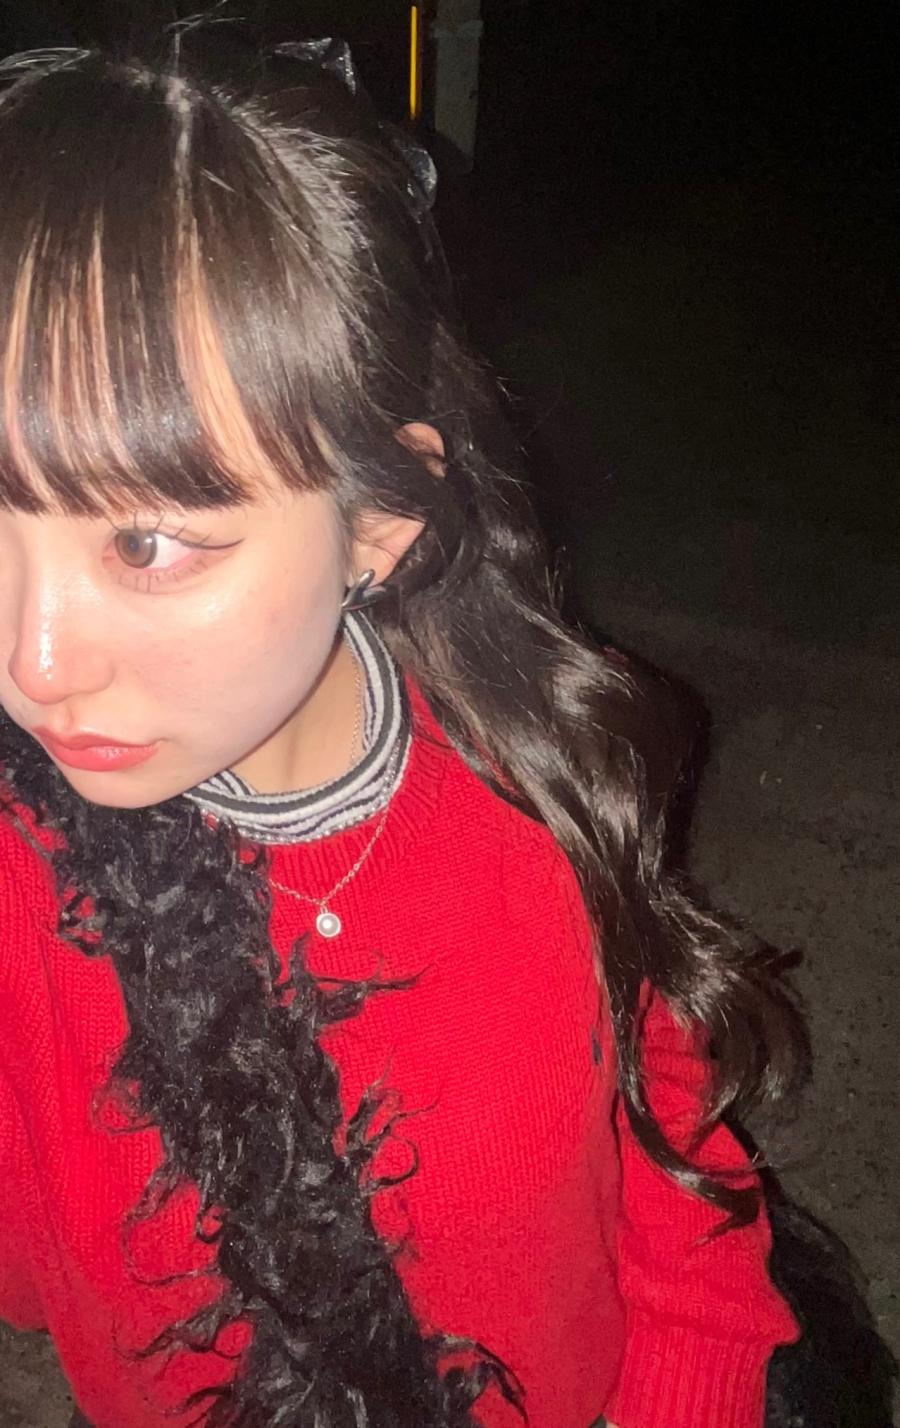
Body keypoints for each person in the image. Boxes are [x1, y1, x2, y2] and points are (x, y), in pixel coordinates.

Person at [0, 31, 802, 1428]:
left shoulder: (546, 788)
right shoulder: (23, 860)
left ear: (379, 521)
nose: (33, 663)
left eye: (145, 542)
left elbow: (684, 1199)